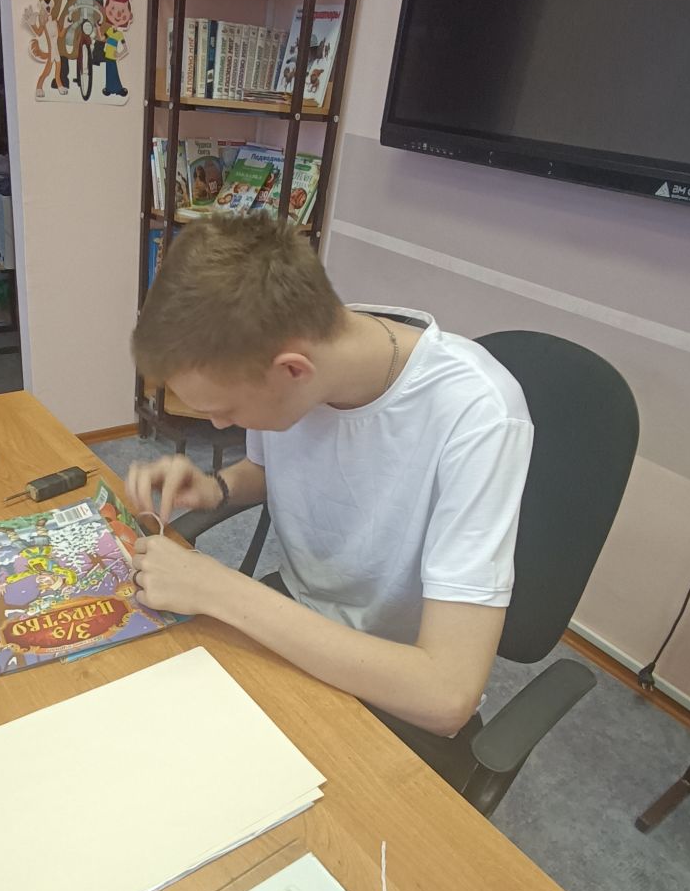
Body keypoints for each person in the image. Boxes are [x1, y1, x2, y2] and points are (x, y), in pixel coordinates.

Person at [127, 213, 533, 784]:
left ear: (293, 370)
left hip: (393, 680)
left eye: (226, 410)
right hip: (293, 617)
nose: (217, 424)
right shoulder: (298, 351)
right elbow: (269, 469)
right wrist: (218, 486)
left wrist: (217, 587)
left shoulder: (478, 415)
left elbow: (446, 696)